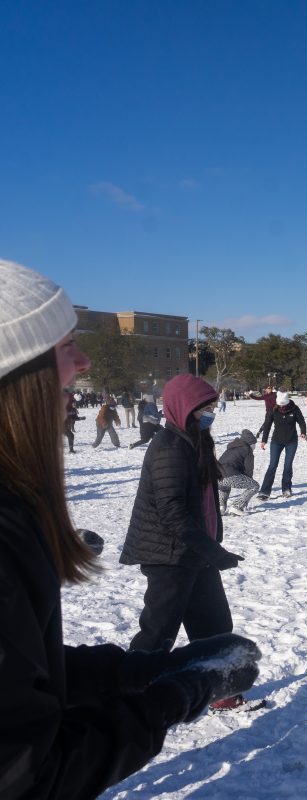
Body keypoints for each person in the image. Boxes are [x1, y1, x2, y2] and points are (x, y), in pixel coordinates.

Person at [0, 260, 262, 796]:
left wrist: (136, 677)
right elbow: (30, 774)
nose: (85, 358)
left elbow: (30, 681)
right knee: (158, 626)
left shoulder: (14, 513)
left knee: (185, 634)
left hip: (194, 553)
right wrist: (174, 697)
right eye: (63, 342)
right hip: (170, 554)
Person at [121, 373, 260, 710]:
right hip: (169, 556)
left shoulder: (194, 441)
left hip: (196, 553)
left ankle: (221, 692)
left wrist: (211, 549)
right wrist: (215, 551)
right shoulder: (169, 447)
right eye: (204, 409)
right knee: (157, 634)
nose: (210, 414)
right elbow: (171, 513)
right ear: (183, 409)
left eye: (212, 407)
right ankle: (124, 691)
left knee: (215, 626)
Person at [257, 391, 307, 499]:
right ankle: (264, 491)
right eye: (280, 405)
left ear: (287, 402)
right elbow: (267, 425)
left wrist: (303, 432)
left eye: (283, 404)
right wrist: (264, 440)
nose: (282, 407)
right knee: (272, 465)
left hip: (291, 441)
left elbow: (301, 421)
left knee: (288, 465)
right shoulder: (272, 410)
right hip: (276, 441)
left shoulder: (294, 408)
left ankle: (286, 489)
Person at [218, 429, 260, 516]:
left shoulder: (232, 447)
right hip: (229, 475)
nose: (254, 446)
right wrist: (249, 482)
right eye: (254, 444)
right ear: (250, 443)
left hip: (217, 476)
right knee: (254, 486)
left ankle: (221, 507)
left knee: (225, 486)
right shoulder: (247, 450)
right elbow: (248, 470)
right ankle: (236, 506)